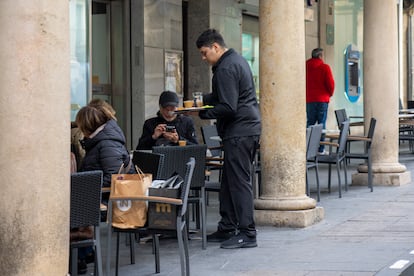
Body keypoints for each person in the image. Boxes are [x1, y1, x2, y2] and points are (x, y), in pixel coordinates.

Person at [195, 29, 261, 249]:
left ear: (215, 47)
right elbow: (222, 96)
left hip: (239, 131)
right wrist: (200, 101)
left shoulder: (226, 67)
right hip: (244, 129)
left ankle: (247, 233)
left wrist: (202, 113)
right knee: (228, 182)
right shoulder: (235, 61)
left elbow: (228, 107)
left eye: (205, 53)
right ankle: (227, 227)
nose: (204, 58)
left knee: (239, 182)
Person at [306, 48, 335, 154]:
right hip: (322, 99)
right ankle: (320, 149)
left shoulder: (305, 67)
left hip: (309, 99)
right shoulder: (324, 67)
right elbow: (330, 84)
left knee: (310, 123)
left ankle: (308, 148)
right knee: (321, 124)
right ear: (320, 56)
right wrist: (329, 94)